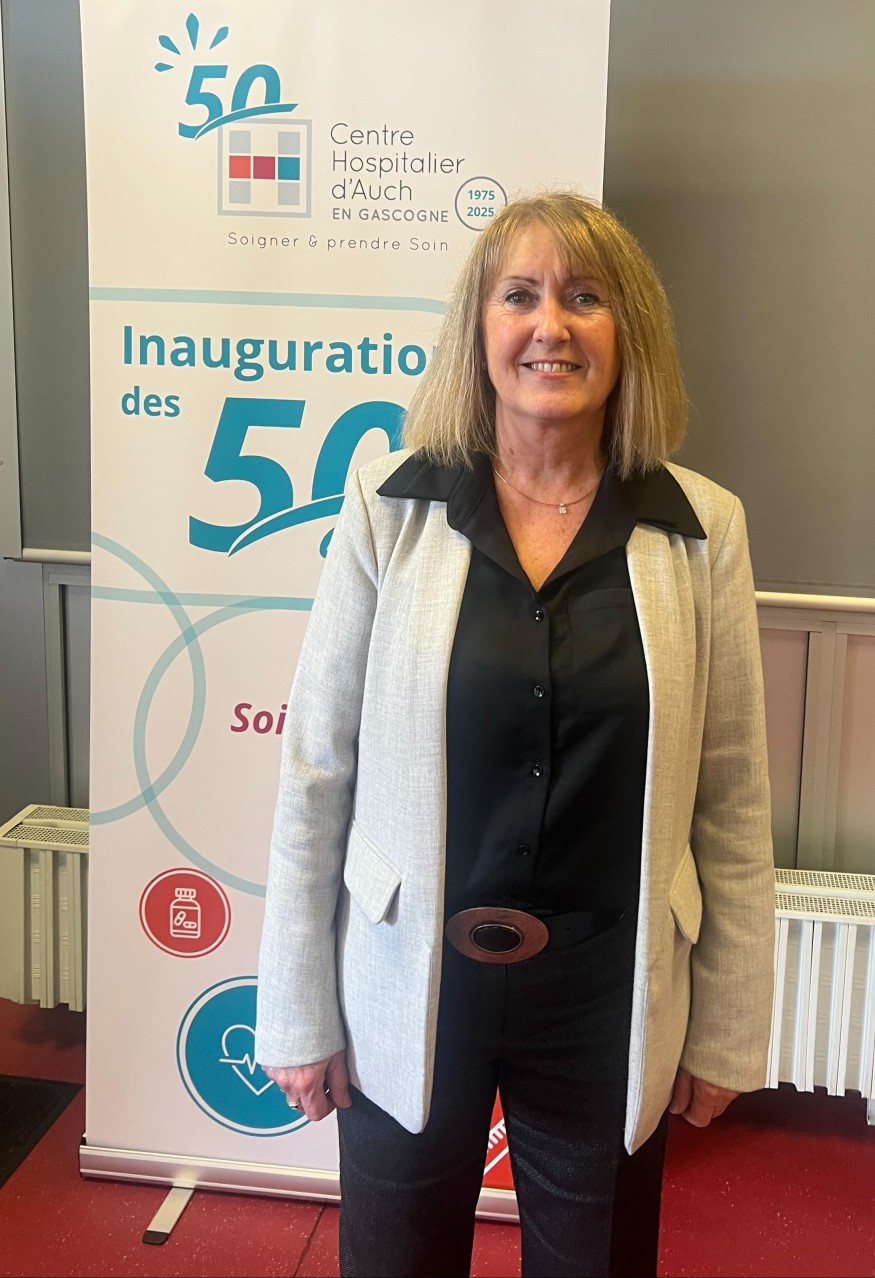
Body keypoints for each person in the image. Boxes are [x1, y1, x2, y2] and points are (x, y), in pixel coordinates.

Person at [255, 191, 775, 1278]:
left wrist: (727, 1025)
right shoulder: (388, 507)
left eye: (585, 298)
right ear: (478, 329)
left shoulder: (700, 529)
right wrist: (297, 1008)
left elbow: (728, 795)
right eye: (520, 296)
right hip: (408, 977)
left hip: (607, 992)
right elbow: (317, 768)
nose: (551, 326)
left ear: (627, 334)